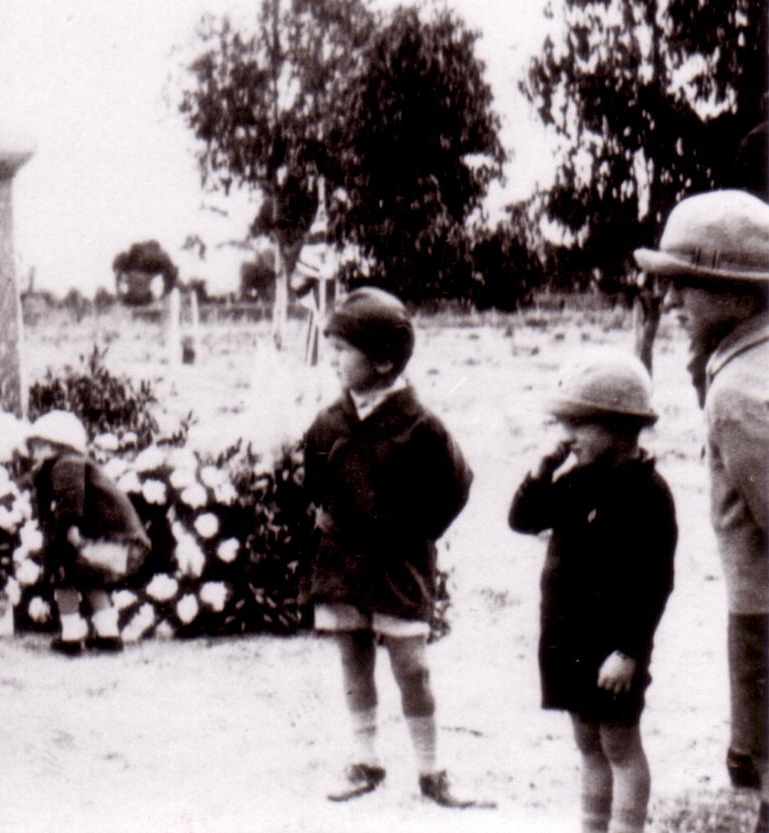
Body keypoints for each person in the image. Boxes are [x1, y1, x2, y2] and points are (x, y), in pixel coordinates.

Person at [301, 286, 480, 807]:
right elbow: (314, 479)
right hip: (342, 559)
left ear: (383, 361)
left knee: (411, 666)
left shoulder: (422, 427)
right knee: (353, 659)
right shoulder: (328, 422)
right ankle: (366, 760)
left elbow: (455, 487)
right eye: (330, 347)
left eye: (343, 350)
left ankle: (431, 769)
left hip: (399, 562)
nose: (332, 358)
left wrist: (411, 533)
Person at [635, 190, 769, 832]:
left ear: (744, 292)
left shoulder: (741, 393)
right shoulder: (746, 359)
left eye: (687, 285)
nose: (670, 301)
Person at [509, 350, 677, 833]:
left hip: (613, 648)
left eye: (578, 425)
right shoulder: (577, 481)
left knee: (620, 747)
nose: (567, 437)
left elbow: (655, 584)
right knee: (587, 744)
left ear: (620, 426)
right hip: (570, 639)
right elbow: (524, 520)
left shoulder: (648, 493)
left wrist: (629, 651)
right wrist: (542, 470)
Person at [24, 409, 149, 656]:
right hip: (111, 535)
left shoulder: (66, 464)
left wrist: (70, 531)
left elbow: (70, 501)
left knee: (65, 578)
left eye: (41, 446)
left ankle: (71, 636)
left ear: (60, 445)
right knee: (92, 580)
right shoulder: (74, 463)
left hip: (87, 535)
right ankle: (108, 634)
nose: (35, 453)